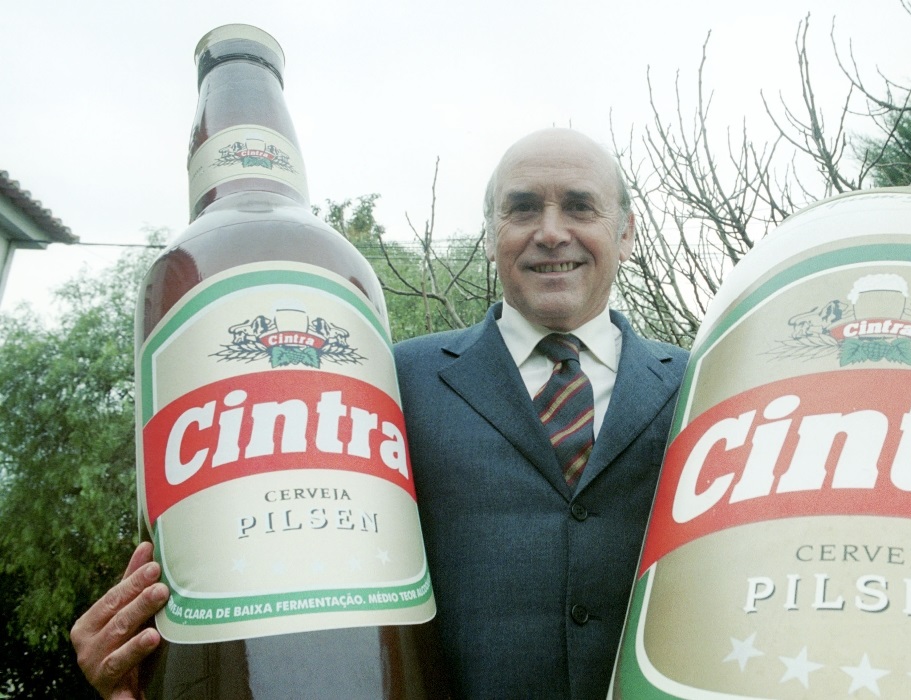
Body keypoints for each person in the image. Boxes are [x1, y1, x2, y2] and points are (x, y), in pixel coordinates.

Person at [71, 127, 689, 699]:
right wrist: (139, 651)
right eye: (522, 208)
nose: (550, 232)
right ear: (490, 233)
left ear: (626, 232)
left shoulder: (698, 384)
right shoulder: (385, 379)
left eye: (579, 206)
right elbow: (269, 538)